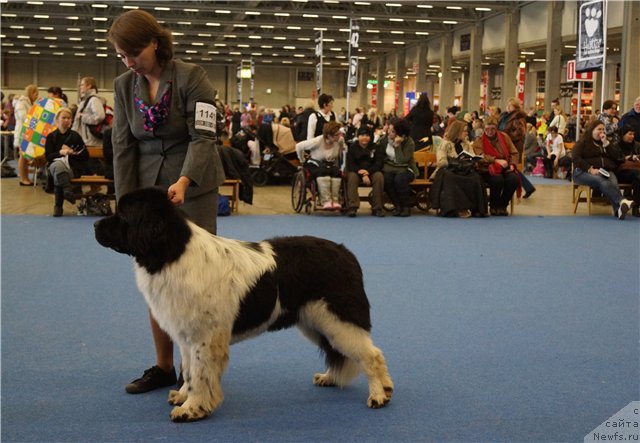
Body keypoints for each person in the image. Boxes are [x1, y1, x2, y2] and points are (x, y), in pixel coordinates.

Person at [107, 9, 226, 394]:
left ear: (155, 43)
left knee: (196, 283)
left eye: (134, 53)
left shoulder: (192, 77)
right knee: (157, 281)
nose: (129, 62)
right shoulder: (124, 85)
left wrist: (185, 180)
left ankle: (199, 370)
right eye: (122, 56)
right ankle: (164, 367)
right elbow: (122, 145)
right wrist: (126, 205)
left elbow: (203, 137)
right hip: (147, 189)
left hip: (193, 186)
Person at [572, 119, 635, 220]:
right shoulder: (583, 142)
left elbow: (617, 157)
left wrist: (606, 144)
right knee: (600, 180)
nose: (602, 132)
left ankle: (618, 210)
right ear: (592, 130)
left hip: (604, 171)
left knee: (613, 182)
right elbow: (575, 158)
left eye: (603, 129)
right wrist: (589, 169)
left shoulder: (605, 143)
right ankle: (622, 201)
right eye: (599, 129)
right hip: (582, 172)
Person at [430, 120, 487, 218]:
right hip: (450, 169)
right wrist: (456, 161)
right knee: (451, 177)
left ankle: (476, 208)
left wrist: (472, 160)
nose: (466, 133)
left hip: (464, 169)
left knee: (476, 177)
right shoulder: (445, 144)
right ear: (457, 131)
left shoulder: (466, 144)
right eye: (464, 131)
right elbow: (441, 161)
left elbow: (472, 156)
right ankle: (455, 209)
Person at [44, 107, 90, 217]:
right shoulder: (51, 137)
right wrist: (61, 152)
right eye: (63, 118)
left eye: (69, 118)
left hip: (72, 168)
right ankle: (67, 190)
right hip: (54, 166)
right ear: (57, 120)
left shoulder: (75, 136)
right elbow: (48, 157)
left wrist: (74, 152)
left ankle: (58, 206)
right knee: (57, 165)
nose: (66, 120)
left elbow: (85, 155)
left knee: (59, 174)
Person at [472, 116, 520, 216]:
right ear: (484, 128)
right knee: (497, 179)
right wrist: (496, 160)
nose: (490, 131)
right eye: (487, 129)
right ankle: (493, 206)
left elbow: (514, 153)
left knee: (514, 179)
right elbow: (480, 157)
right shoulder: (479, 141)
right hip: (487, 169)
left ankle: (502, 205)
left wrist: (512, 164)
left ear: (496, 128)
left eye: (493, 129)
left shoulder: (504, 137)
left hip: (505, 167)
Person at [295, 120, 345, 209]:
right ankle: (325, 201)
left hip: (330, 164)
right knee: (322, 172)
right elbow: (298, 146)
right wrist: (301, 160)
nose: (339, 136)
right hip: (315, 163)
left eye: (339, 134)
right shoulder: (317, 141)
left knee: (336, 173)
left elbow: (342, 151)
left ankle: (335, 200)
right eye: (336, 135)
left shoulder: (339, 141)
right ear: (328, 135)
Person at [379, 118, 418, 217]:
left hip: (407, 169)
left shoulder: (409, 142)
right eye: (389, 130)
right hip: (390, 168)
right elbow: (381, 157)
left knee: (399, 179)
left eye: (393, 131)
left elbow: (402, 160)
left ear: (401, 134)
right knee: (387, 179)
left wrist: (397, 146)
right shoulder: (384, 140)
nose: (389, 133)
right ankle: (397, 205)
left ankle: (405, 206)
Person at [345, 126, 385, 217]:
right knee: (351, 177)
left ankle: (377, 208)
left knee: (379, 176)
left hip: (372, 171)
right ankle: (352, 207)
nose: (364, 137)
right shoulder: (352, 147)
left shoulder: (376, 147)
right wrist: (362, 173)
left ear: (370, 137)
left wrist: (368, 172)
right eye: (362, 135)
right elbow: (350, 164)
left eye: (367, 135)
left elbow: (379, 163)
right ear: (358, 136)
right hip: (356, 171)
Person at [611, 124, 640, 217]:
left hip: (635, 171)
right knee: (637, 175)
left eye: (633, 134)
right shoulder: (616, 145)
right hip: (620, 172)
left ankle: (635, 205)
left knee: (637, 180)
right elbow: (614, 160)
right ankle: (636, 205)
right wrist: (628, 158)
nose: (632, 136)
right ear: (623, 134)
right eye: (630, 134)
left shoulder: (637, 145)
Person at [13, 84, 39, 186]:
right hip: (22, 133)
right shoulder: (22, 103)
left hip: (29, 133)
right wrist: (35, 120)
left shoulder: (31, 104)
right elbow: (24, 117)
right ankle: (23, 178)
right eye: (35, 93)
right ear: (31, 93)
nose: (37, 96)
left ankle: (26, 177)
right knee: (23, 156)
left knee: (25, 155)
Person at [72, 76, 106, 148]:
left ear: (89, 86)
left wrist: (82, 117)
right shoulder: (85, 100)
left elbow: (100, 116)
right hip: (86, 140)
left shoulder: (93, 100)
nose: (80, 87)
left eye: (82, 85)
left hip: (91, 141)